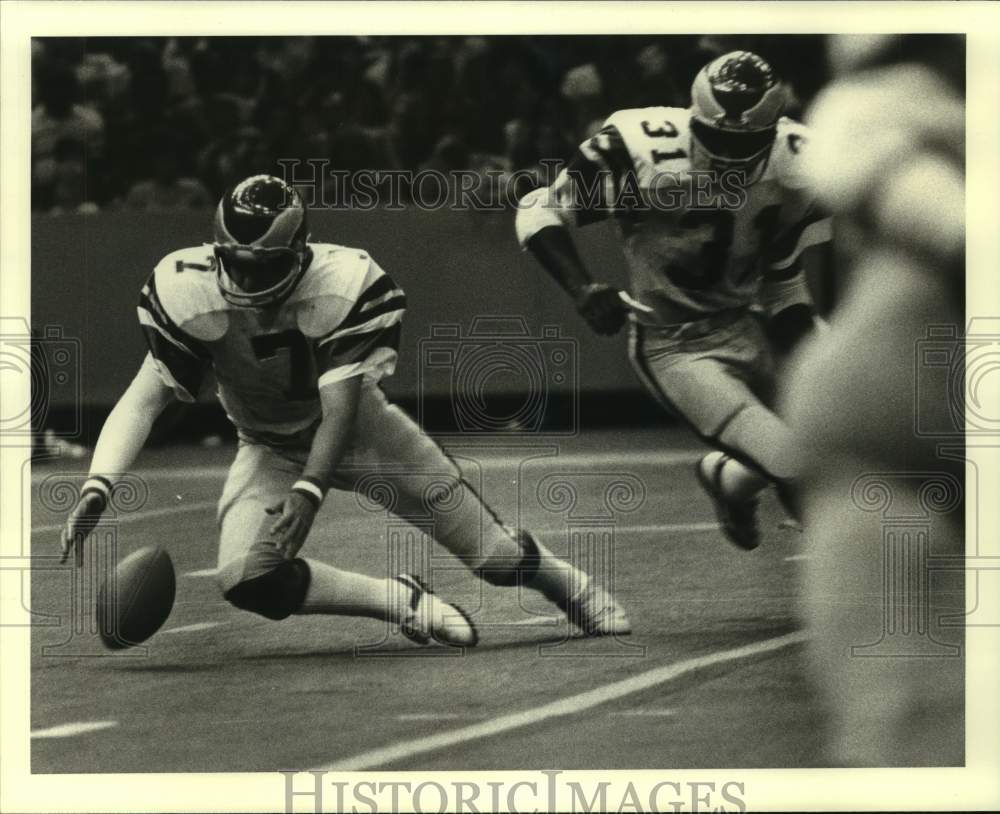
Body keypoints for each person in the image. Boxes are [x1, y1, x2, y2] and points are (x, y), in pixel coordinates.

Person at [59, 174, 630, 646]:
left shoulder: (344, 282)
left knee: (496, 558)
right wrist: (98, 486)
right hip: (269, 445)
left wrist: (309, 493)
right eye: (238, 262)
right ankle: (399, 601)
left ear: (300, 252)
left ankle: (571, 587)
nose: (250, 279)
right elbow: (144, 396)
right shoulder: (185, 287)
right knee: (246, 578)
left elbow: (340, 410)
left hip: (362, 431)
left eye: (266, 265)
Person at [515, 51, 831, 550]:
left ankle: (728, 479)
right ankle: (853, 599)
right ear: (693, 118)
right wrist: (583, 289)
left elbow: (783, 274)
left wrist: (809, 349)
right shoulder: (644, 147)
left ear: (773, 131)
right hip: (676, 345)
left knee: (842, 440)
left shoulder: (796, 159)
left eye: (741, 143)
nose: (727, 157)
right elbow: (537, 209)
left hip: (749, 322)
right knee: (797, 465)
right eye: (717, 139)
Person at [782, 34, 965, 766]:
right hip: (893, 439)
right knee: (915, 727)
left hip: (896, 421)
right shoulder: (890, 107)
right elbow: (946, 221)